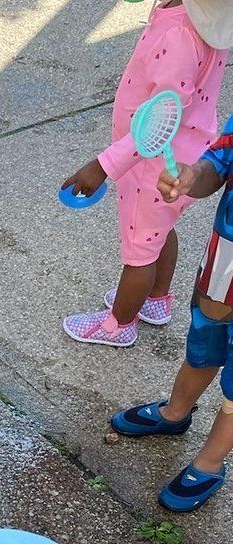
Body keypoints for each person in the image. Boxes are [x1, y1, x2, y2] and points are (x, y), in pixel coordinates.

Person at [62, 0, 228, 348]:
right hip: (182, 157)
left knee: (138, 253)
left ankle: (118, 325)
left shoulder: (181, 32)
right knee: (157, 233)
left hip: (152, 163)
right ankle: (156, 299)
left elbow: (162, 118)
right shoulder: (208, 20)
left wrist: (103, 165)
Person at [110, 111, 233, 510]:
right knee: (205, 335)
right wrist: (192, 176)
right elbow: (221, 160)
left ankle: (210, 462)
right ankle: (175, 412)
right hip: (228, 253)